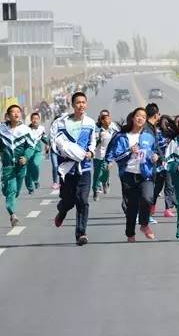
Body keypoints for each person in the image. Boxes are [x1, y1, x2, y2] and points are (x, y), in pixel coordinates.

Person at [105, 108, 159, 242]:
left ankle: (144, 224)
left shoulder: (149, 136)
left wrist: (155, 157)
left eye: (143, 117)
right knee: (131, 207)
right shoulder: (122, 136)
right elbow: (117, 156)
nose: (141, 118)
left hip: (145, 174)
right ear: (132, 118)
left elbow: (154, 151)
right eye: (138, 116)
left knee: (148, 198)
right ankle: (130, 233)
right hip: (128, 175)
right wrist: (130, 151)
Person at [51, 92, 97, 246]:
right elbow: (54, 143)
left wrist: (91, 152)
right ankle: (62, 210)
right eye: (78, 102)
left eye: (83, 102)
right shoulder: (61, 123)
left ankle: (81, 233)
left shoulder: (90, 123)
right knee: (69, 200)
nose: (81, 105)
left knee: (82, 200)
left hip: (84, 168)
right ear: (72, 105)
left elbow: (92, 142)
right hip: (67, 169)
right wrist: (64, 153)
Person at [0, 105, 31, 226]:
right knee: (11, 190)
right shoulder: (2, 129)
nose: (16, 114)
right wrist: (1, 151)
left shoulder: (25, 129)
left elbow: (31, 146)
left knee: (16, 191)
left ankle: (9, 194)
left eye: (18, 112)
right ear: (8, 116)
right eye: (13, 112)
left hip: (21, 166)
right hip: (8, 165)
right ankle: (13, 214)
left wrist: (26, 157)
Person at [153, 114, 178, 218]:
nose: (165, 125)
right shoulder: (157, 133)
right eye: (163, 122)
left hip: (170, 164)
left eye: (167, 123)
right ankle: (151, 206)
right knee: (157, 187)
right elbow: (156, 146)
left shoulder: (172, 134)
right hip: (159, 164)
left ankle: (168, 209)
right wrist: (161, 158)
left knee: (169, 186)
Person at [92, 109, 119, 201]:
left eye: (108, 118)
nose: (108, 121)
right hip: (98, 155)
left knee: (105, 172)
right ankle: (96, 191)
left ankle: (105, 182)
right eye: (105, 118)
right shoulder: (97, 129)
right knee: (97, 174)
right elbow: (93, 142)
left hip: (109, 156)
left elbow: (118, 136)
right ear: (101, 120)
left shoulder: (113, 127)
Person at [142, 103, 162, 222]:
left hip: (151, 164)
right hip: (146, 165)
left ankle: (145, 215)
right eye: (159, 114)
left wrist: (161, 158)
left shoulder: (150, 127)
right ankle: (144, 216)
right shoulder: (147, 129)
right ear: (156, 115)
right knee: (147, 192)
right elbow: (148, 146)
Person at [24, 112, 49, 195]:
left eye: (37, 119)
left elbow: (44, 138)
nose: (35, 120)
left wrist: (48, 144)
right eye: (33, 119)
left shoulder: (41, 129)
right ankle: (30, 188)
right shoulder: (26, 129)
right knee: (27, 171)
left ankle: (35, 180)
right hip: (28, 152)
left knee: (35, 164)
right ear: (31, 120)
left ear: (39, 120)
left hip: (37, 151)